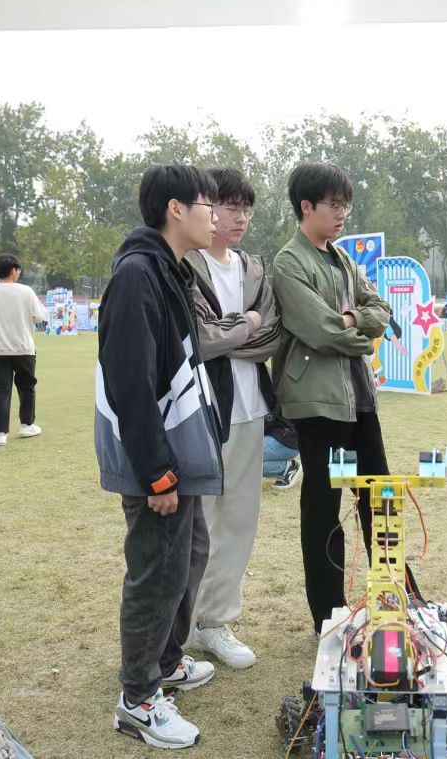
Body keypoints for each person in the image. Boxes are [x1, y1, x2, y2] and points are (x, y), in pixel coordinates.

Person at [96, 164, 224, 750]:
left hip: (180, 450)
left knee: (189, 554)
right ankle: (138, 698)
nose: (215, 217)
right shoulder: (137, 275)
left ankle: (166, 662)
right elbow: (130, 382)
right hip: (158, 459)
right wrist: (157, 474)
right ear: (176, 209)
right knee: (156, 571)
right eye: (208, 206)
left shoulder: (170, 270)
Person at [271, 161, 419, 634]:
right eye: (334, 205)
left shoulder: (341, 259)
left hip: (358, 398)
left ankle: (400, 601)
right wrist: (358, 331)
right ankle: (329, 616)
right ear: (306, 206)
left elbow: (381, 308)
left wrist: (351, 321)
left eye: (346, 206)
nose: (342, 214)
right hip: (318, 405)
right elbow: (319, 329)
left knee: (380, 500)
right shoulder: (289, 262)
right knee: (324, 509)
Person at [184, 168, 281, 670]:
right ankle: (181, 624)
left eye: (246, 209)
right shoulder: (187, 264)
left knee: (239, 520)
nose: (239, 217)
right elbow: (198, 339)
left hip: (250, 409)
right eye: (229, 207)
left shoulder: (254, 268)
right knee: (197, 521)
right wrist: (246, 326)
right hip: (199, 409)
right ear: (205, 208)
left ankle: (215, 622)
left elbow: (273, 335)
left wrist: (229, 335)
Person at [0, 254, 46, 446]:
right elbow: (39, 317)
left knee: (0, 390)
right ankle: (27, 425)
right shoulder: (26, 291)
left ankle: (0, 433)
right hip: (24, 348)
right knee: (26, 387)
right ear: (13, 270)